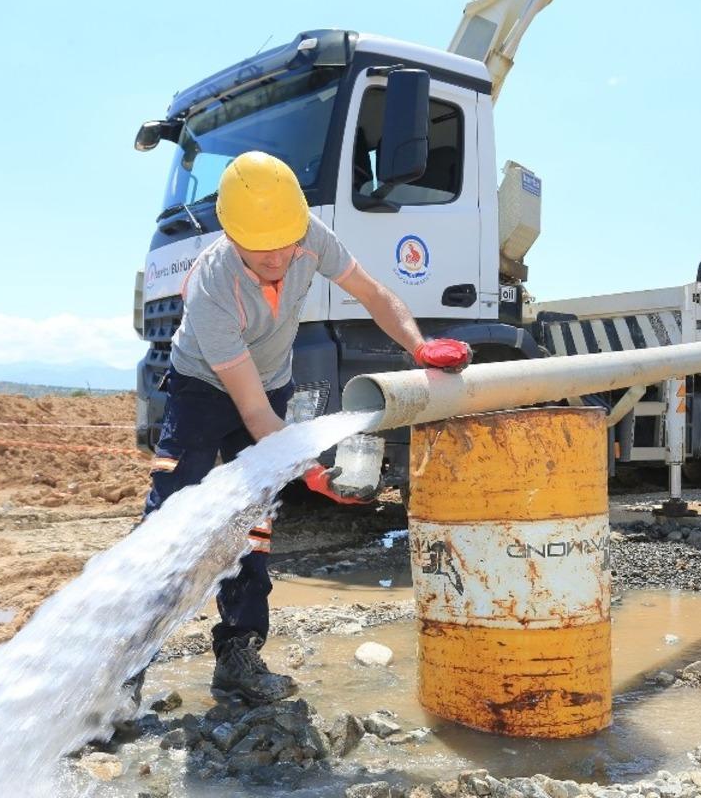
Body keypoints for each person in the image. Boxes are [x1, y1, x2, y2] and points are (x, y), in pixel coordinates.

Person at [143, 151, 472, 704]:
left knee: (254, 523)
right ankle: (124, 670)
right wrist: (315, 473)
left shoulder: (305, 233)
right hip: (204, 390)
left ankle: (239, 654)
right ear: (231, 232)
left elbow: (372, 292)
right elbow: (254, 417)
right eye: (260, 246)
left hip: (267, 383)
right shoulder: (213, 289)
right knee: (167, 520)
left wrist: (418, 345)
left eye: (286, 243)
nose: (277, 257)